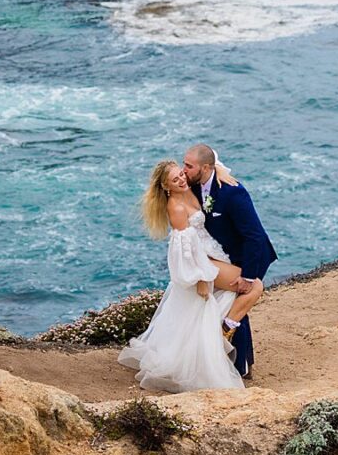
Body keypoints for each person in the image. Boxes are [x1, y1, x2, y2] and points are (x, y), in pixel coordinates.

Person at [117, 160, 264, 392]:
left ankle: (231, 345)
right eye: (175, 180)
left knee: (206, 311)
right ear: (166, 187)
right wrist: (201, 279)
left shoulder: (190, 189)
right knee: (254, 286)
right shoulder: (175, 207)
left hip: (215, 256)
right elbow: (183, 251)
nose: (182, 180)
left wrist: (221, 171)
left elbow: (208, 159)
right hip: (203, 265)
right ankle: (225, 329)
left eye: (181, 175)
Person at [184, 143, 276, 379]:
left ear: (205, 168)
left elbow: (254, 236)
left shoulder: (233, 192)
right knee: (230, 302)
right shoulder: (193, 183)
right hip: (224, 255)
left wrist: (247, 274)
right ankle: (231, 358)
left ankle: (241, 367)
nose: (184, 170)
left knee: (240, 297)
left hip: (250, 254)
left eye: (189, 166)